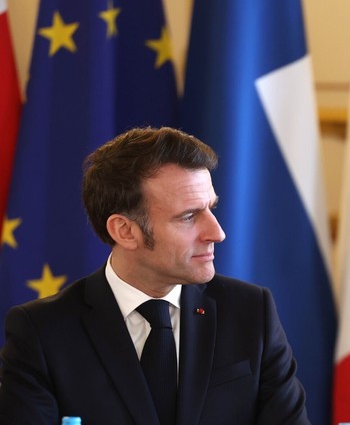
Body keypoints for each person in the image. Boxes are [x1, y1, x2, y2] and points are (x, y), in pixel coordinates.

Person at [0, 127, 309, 424]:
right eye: (189, 216)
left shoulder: (251, 311)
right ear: (125, 231)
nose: (217, 233)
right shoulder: (42, 332)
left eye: (211, 209)